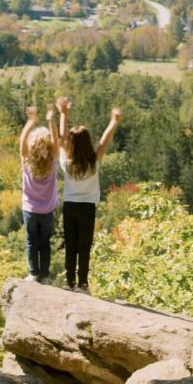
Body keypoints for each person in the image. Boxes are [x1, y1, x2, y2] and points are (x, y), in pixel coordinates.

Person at [56, 96, 121, 293]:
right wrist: (114, 121)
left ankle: (69, 282)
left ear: (71, 145)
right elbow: (104, 141)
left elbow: (61, 137)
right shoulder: (94, 162)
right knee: (84, 246)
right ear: (87, 143)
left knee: (71, 246)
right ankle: (83, 284)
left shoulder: (66, 163)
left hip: (70, 206)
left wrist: (63, 114)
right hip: (87, 208)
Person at [18, 104, 58, 283]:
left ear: (31, 146)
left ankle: (33, 274)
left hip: (30, 211)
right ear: (49, 147)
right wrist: (51, 120)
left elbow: (22, 141)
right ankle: (45, 275)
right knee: (45, 244)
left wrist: (31, 121)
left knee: (32, 242)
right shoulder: (53, 161)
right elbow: (56, 142)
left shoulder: (26, 160)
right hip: (47, 211)